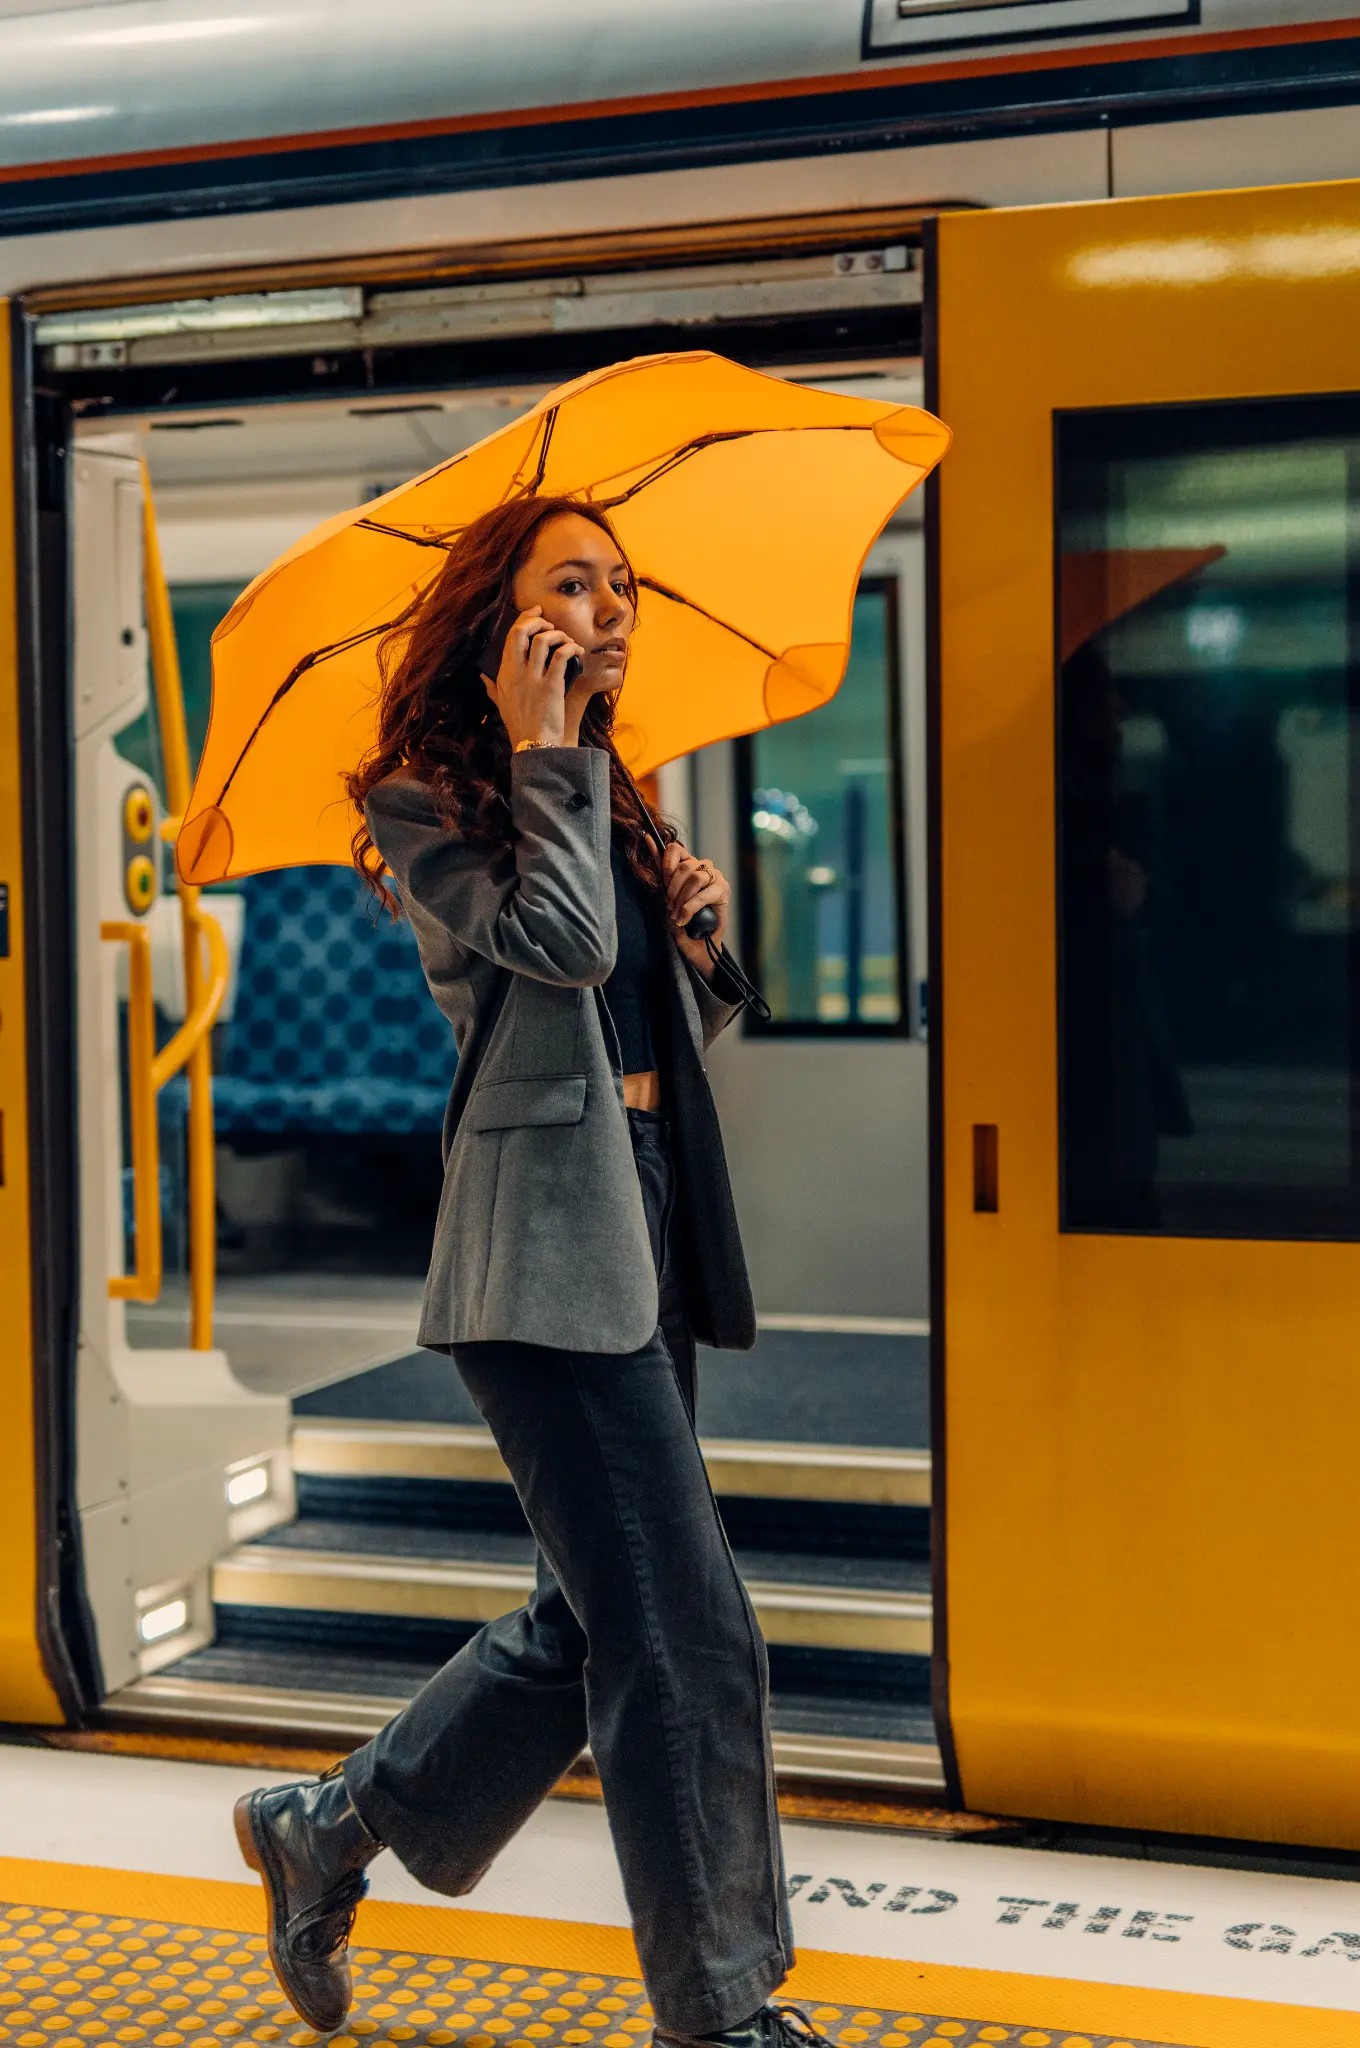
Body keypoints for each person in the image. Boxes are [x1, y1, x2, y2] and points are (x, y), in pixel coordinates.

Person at [232, 493, 823, 2048]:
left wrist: (694, 948)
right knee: (688, 1633)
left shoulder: (607, 795)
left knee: (590, 1623)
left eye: (624, 585)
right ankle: (720, 2016)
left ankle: (330, 1828)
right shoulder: (427, 795)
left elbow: (618, 1035)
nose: (613, 609)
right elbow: (552, 953)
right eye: (577, 582)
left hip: (638, 1221)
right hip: (538, 1258)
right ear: (501, 612)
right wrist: (547, 747)